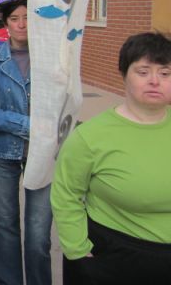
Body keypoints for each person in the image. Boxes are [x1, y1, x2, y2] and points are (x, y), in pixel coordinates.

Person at [51, 32, 171, 285]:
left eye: (165, 73)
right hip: (114, 258)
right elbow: (65, 194)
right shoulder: (90, 137)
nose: (154, 81)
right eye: (143, 72)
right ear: (124, 75)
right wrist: (78, 251)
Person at [0, 0, 53, 285]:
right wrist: (28, 124)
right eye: (15, 18)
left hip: (43, 154)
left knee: (38, 233)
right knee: (5, 226)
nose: (21, 23)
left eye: (28, 17)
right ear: (5, 23)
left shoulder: (53, 61)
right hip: (4, 153)